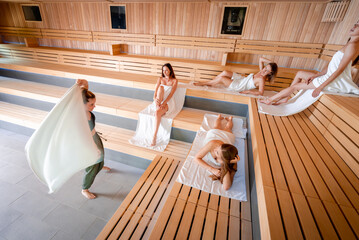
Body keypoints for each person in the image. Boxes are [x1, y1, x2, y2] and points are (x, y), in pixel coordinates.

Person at [260, 21, 359, 105]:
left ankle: (270, 100)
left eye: (358, 25)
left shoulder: (353, 46)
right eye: (355, 24)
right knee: (299, 74)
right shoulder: (350, 44)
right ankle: (285, 97)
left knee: (296, 86)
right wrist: (317, 75)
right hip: (328, 75)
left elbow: (339, 70)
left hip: (333, 81)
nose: (354, 26)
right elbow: (332, 64)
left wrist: (320, 87)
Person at [77, 79, 110, 199]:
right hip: (87, 142)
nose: (94, 106)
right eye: (91, 104)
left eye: (94, 104)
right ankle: (84, 189)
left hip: (94, 137)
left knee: (100, 160)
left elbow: (83, 93)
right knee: (92, 165)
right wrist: (94, 147)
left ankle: (100, 166)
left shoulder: (87, 110)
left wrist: (85, 84)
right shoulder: (80, 114)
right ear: (82, 104)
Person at [194, 115, 240, 190]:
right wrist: (212, 169)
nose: (215, 149)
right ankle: (219, 118)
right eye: (218, 148)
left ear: (224, 160)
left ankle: (230, 120)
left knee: (228, 128)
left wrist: (229, 162)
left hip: (226, 140)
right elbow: (196, 158)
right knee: (216, 127)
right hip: (215, 135)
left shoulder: (230, 158)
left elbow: (226, 187)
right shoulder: (212, 145)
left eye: (217, 152)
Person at [193, 57, 278, 96]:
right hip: (241, 79)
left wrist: (248, 92)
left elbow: (261, 93)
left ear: (270, 73)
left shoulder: (261, 79)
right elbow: (260, 59)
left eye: (267, 70)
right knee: (225, 72)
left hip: (239, 86)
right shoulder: (261, 71)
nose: (264, 70)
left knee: (222, 78)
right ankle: (213, 81)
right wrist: (273, 63)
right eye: (266, 67)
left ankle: (205, 83)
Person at [151, 63, 178, 146]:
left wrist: (165, 102)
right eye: (163, 70)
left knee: (157, 113)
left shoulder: (174, 81)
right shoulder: (160, 79)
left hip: (168, 101)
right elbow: (155, 92)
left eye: (166, 70)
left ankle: (154, 137)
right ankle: (158, 106)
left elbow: (171, 94)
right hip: (159, 99)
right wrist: (155, 100)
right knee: (160, 88)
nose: (165, 72)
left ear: (170, 70)